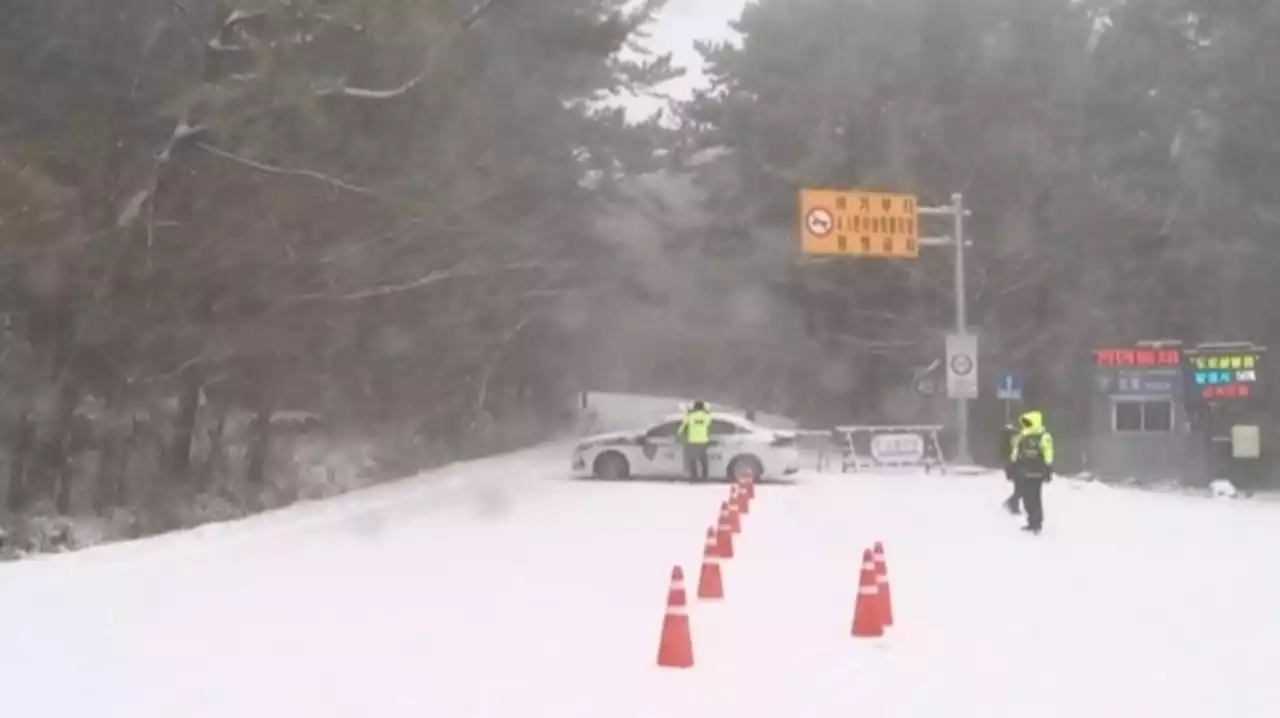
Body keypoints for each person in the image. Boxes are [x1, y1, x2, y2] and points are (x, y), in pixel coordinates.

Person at [1007, 410, 1055, 534]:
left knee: (1035, 498)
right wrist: (1011, 466)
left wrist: (1049, 467)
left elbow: (1048, 452)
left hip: (1036, 472)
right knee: (1027, 498)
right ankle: (1032, 521)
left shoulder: (1043, 436)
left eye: (1028, 422)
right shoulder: (1022, 436)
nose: (1025, 425)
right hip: (1024, 472)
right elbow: (1015, 452)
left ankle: (1036, 522)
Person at [678, 400, 713, 481]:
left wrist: (688, 412)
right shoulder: (706, 417)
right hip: (703, 441)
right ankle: (704, 477)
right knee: (703, 460)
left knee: (692, 460)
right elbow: (709, 422)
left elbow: (683, 424)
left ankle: (694, 477)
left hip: (693, 441)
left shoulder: (691, 416)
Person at [1000, 423, 1022, 515]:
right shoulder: (1013, 440)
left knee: (1019, 487)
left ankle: (1014, 505)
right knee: (1020, 487)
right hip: (1015, 465)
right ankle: (1012, 504)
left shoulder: (1006, 441)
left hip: (1013, 465)